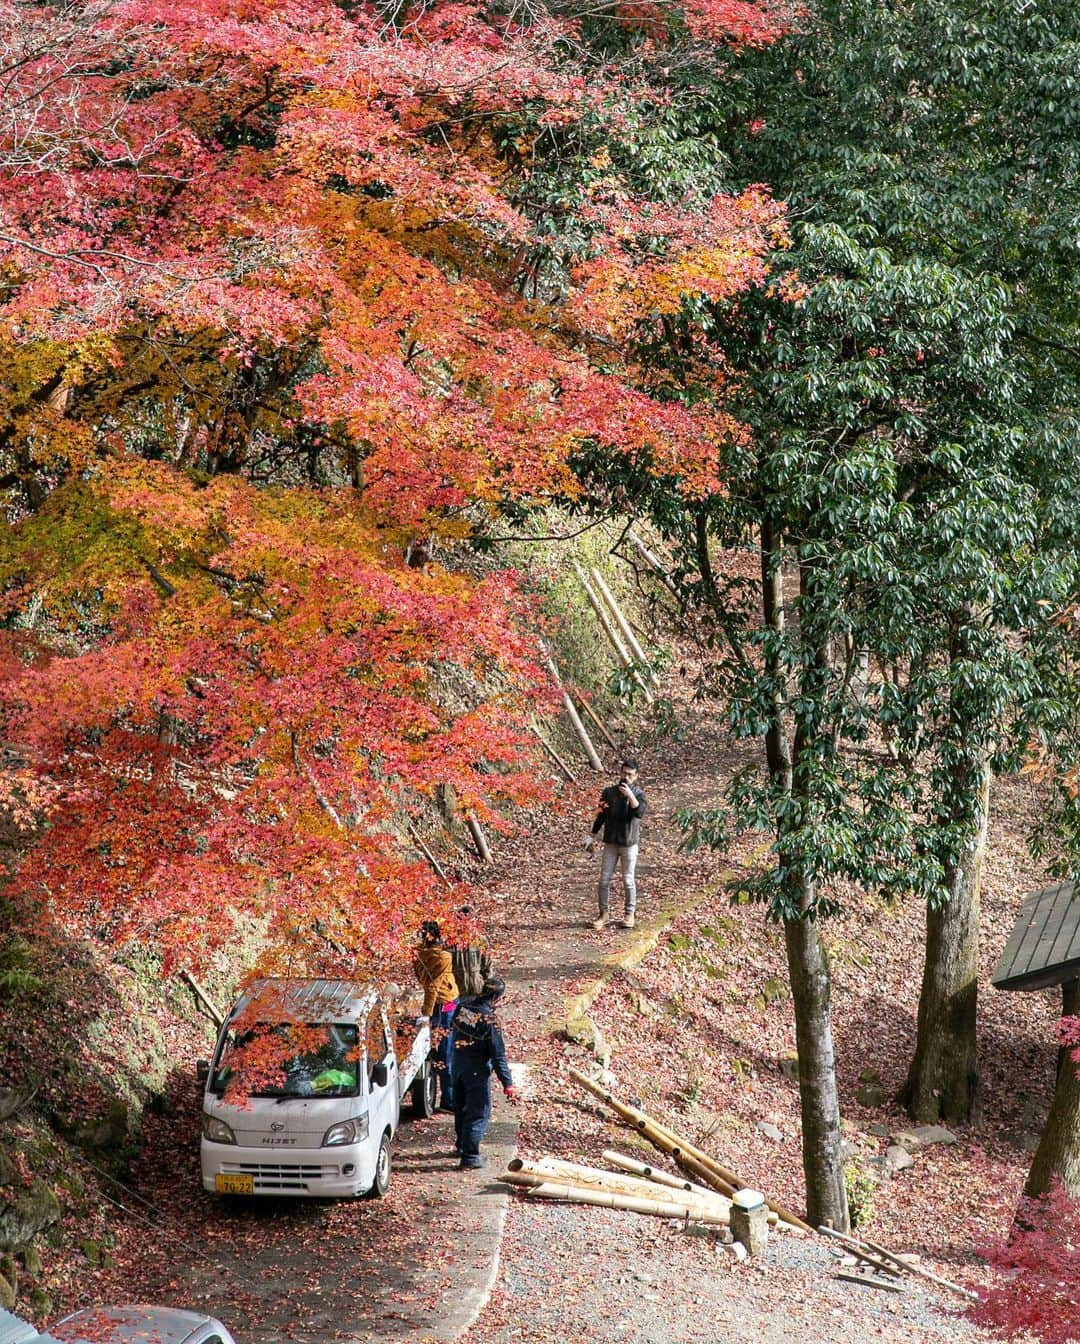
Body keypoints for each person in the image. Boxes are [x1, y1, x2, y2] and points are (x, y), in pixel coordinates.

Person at [449, 975, 517, 1170]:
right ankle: (470, 1157)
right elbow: (498, 1055)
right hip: (476, 1071)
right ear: (497, 998)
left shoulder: (463, 1007)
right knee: (478, 1112)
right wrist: (508, 1083)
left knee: (460, 1108)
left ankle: (462, 1145)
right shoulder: (489, 1020)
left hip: (458, 1065)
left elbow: (453, 1023)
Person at [586, 757, 647, 930]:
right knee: (604, 879)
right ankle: (603, 914)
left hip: (629, 843)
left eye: (630, 775)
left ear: (635, 776)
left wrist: (629, 795)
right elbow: (601, 814)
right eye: (624, 773)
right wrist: (592, 835)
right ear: (620, 772)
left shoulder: (639, 794)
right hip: (611, 842)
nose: (626, 777)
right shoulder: (609, 792)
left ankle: (629, 914)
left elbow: (639, 812)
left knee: (628, 880)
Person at [413, 920, 459, 1111]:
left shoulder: (419, 955)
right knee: (444, 1051)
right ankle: (448, 1100)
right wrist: (427, 1013)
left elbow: (423, 981)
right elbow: (433, 987)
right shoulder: (443, 957)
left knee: (444, 1045)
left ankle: (448, 1096)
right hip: (444, 1003)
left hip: (444, 1003)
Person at [448, 906, 493, 1000]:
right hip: (455, 995)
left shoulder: (481, 940)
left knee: (487, 1013)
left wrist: (485, 986)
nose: (466, 925)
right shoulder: (448, 942)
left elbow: (487, 967)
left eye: (470, 921)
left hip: (476, 992)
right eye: (461, 921)